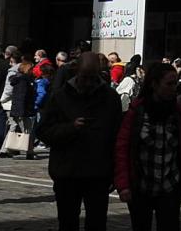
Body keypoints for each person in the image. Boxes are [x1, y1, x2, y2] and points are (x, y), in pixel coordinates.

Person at [40, 42, 122, 231]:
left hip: (98, 172)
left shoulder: (110, 98)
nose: (88, 83)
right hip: (67, 172)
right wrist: (70, 128)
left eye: (93, 78)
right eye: (85, 77)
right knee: (68, 222)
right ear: (77, 72)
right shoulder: (60, 96)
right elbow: (44, 131)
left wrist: (115, 172)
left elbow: (117, 136)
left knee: (97, 222)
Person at [114, 61, 181, 231]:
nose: (174, 88)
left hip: (169, 186)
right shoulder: (137, 111)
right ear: (154, 84)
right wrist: (123, 185)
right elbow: (122, 148)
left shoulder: (177, 112)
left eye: (175, 83)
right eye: (169, 84)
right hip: (141, 185)